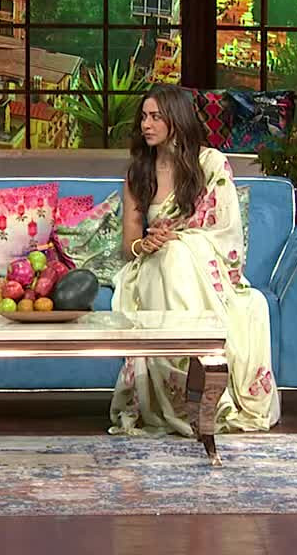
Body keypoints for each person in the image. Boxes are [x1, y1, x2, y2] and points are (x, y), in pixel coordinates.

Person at [108, 84, 281, 436]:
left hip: (200, 267)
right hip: (151, 267)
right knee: (169, 256)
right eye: (144, 117)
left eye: (156, 117)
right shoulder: (138, 174)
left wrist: (179, 241)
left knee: (179, 255)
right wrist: (145, 244)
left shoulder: (210, 164)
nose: (146, 124)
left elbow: (224, 232)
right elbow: (129, 244)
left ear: (177, 119)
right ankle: (185, 396)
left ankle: (201, 387)